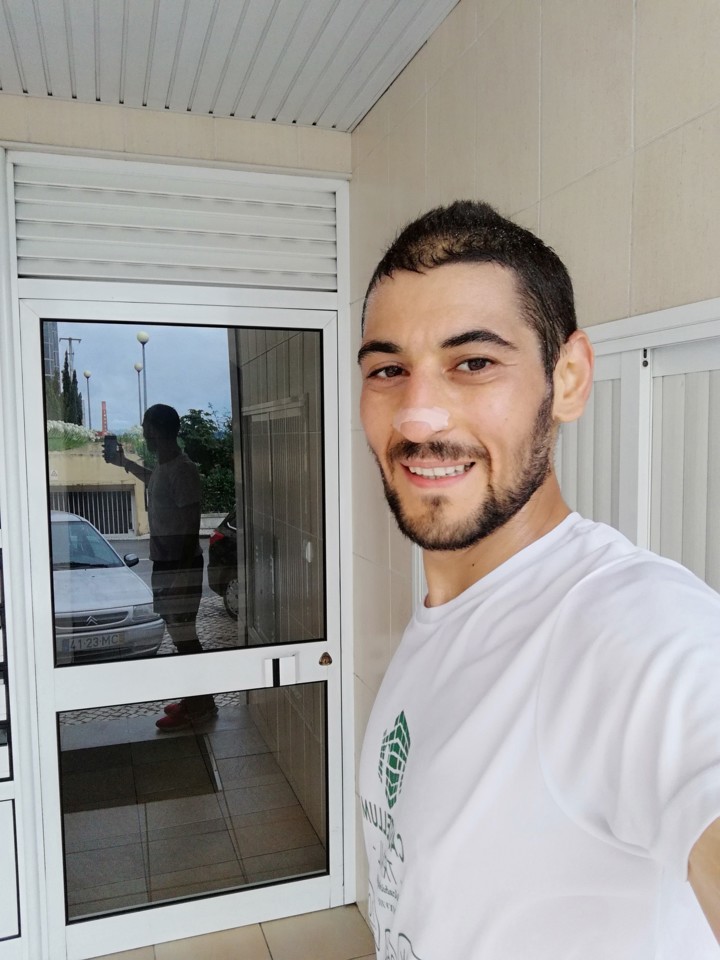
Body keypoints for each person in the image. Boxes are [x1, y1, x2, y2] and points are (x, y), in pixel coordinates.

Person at [357, 200, 720, 959]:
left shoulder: (634, 629)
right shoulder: (443, 619)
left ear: (570, 379)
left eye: (474, 363)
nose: (417, 417)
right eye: (388, 370)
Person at [107, 403, 216, 730]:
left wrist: (180, 577)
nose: (143, 433)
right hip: (167, 564)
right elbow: (155, 481)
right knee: (179, 634)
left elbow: (190, 526)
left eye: (145, 427)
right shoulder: (166, 468)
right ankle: (196, 700)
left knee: (185, 636)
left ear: (155, 430)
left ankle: (201, 706)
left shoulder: (183, 469)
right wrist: (125, 464)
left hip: (179, 565)